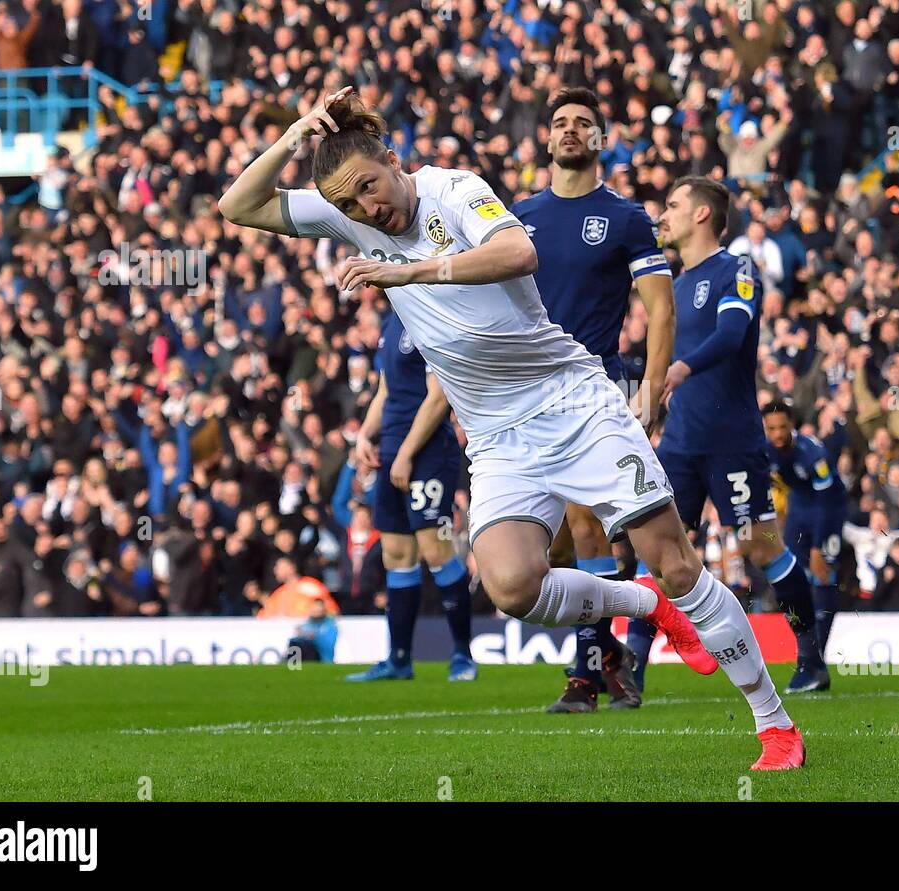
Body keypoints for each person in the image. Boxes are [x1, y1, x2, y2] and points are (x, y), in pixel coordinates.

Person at [219, 88, 804, 769]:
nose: (365, 210)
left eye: (369, 190)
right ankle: (641, 604)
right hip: (497, 436)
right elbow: (237, 206)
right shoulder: (349, 216)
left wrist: (412, 270)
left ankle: (774, 724)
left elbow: (517, 254)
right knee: (512, 585)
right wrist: (295, 135)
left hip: (574, 402)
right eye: (348, 206)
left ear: (392, 159)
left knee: (676, 561)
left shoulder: (454, 190)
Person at [512, 86, 675, 713]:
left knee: (585, 525)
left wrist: (651, 389)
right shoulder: (518, 215)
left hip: (592, 383)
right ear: (547, 140)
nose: (571, 131)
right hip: (520, 394)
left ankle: (582, 676)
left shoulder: (627, 218)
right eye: (560, 123)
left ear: (600, 140)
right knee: (541, 549)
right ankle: (609, 651)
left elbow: (659, 310)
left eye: (584, 123)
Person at [655, 174, 820, 704]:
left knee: (760, 547)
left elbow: (731, 335)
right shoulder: (674, 284)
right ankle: (629, 675)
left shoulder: (737, 269)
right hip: (680, 442)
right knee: (660, 552)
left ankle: (811, 656)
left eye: (674, 205)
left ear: (702, 214)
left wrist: (679, 369)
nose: (666, 214)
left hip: (731, 441)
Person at [345, 307, 476, 682]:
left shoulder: (430, 313)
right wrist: (365, 436)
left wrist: (405, 454)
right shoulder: (393, 319)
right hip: (391, 452)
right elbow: (386, 389)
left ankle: (462, 656)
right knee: (396, 553)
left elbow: (439, 397)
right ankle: (399, 658)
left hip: (428, 453)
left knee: (436, 549)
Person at [762, 401, 848, 691]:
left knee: (823, 578)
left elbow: (826, 502)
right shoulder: (765, 450)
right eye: (771, 428)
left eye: (782, 427)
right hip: (799, 510)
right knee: (794, 580)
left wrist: (817, 548)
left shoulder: (813, 453)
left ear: (792, 425)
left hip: (828, 512)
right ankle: (810, 660)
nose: (777, 433)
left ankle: (814, 661)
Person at [288, 598, 340, 663]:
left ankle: (306, 666)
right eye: (314, 607)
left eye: (318, 607)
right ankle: (293, 668)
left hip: (321, 656)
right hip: (305, 651)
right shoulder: (308, 623)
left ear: (324, 610)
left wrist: (314, 637)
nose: (316, 609)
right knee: (294, 642)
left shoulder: (330, 625)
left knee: (306, 644)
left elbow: (328, 644)